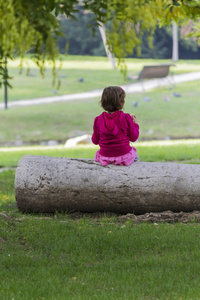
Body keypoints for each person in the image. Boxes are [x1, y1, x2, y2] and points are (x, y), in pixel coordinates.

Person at [92, 86, 139, 166]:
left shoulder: (98, 119)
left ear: (103, 102)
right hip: (124, 156)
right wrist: (135, 124)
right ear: (122, 102)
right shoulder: (126, 118)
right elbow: (134, 138)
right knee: (136, 157)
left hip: (104, 157)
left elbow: (95, 141)